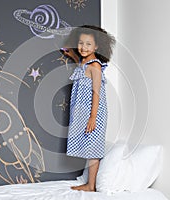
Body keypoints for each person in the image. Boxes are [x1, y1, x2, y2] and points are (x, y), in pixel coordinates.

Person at [61, 25, 115, 192]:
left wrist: (92, 117)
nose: (84, 48)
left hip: (94, 113)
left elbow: (96, 93)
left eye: (89, 44)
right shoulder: (84, 62)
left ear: (97, 47)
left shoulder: (95, 66)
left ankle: (91, 185)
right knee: (87, 144)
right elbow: (82, 64)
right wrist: (72, 55)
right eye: (81, 43)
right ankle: (89, 183)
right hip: (83, 113)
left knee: (93, 147)